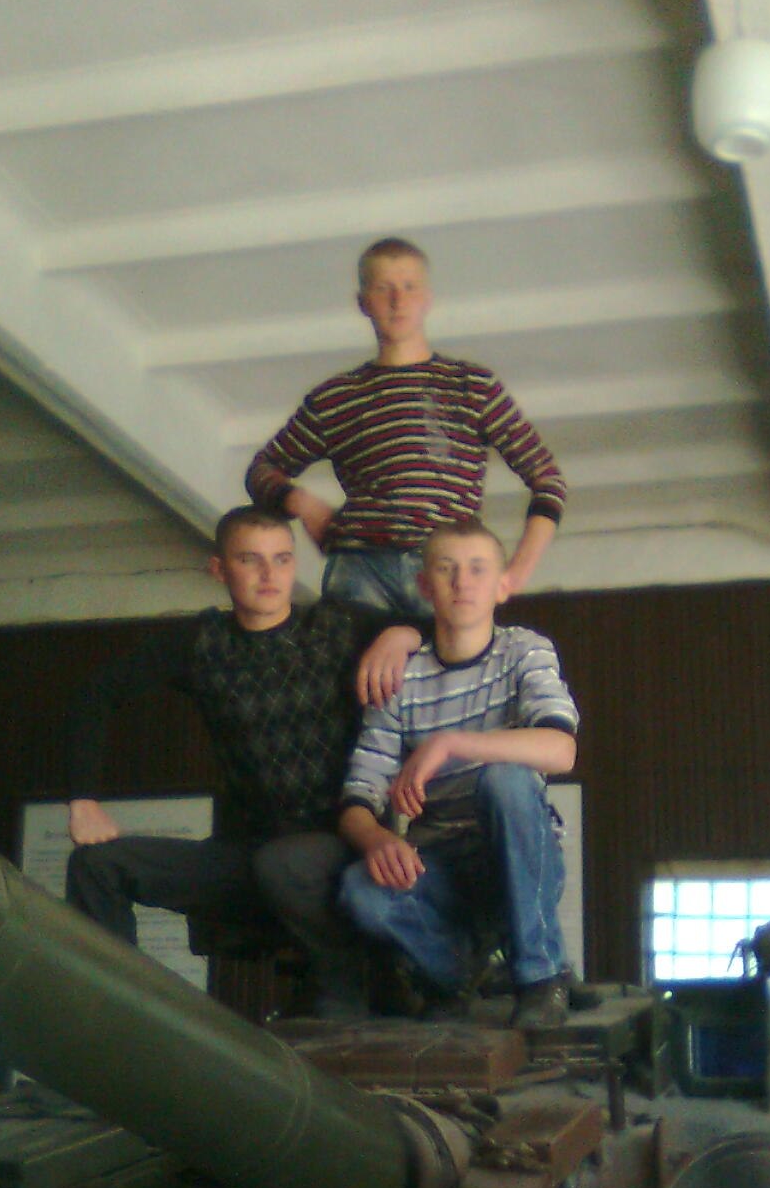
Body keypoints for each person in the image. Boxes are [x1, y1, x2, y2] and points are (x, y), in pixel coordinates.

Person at [64, 506, 421, 1018]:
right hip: (250, 855)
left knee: (284, 861)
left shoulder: (337, 625)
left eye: (282, 559)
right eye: (251, 560)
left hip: (342, 849)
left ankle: (347, 982)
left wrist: (402, 634)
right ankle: (122, 1017)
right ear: (219, 569)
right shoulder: (201, 643)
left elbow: (446, 623)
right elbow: (93, 695)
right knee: (96, 865)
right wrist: (82, 799)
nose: (269, 574)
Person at [337, 518, 578, 1029]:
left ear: (502, 585)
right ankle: (456, 977)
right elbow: (358, 795)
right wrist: (377, 839)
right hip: (440, 864)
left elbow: (561, 750)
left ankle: (540, 977)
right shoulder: (401, 676)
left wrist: (449, 744)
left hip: (517, 856)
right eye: (446, 569)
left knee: (505, 780)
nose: (462, 582)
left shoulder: (524, 650)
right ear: (424, 586)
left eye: (477, 569)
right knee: (360, 889)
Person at [245, 236, 566, 618]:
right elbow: (261, 470)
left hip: (445, 564)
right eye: (384, 288)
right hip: (360, 565)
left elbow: (547, 479)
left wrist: (515, 574)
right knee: (357, 659)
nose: (398, 301)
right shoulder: (335, 397)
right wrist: (301, 502)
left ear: (427, 298)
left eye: (409, 287)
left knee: (449, 658)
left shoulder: (471, 385)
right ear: (363, 302)